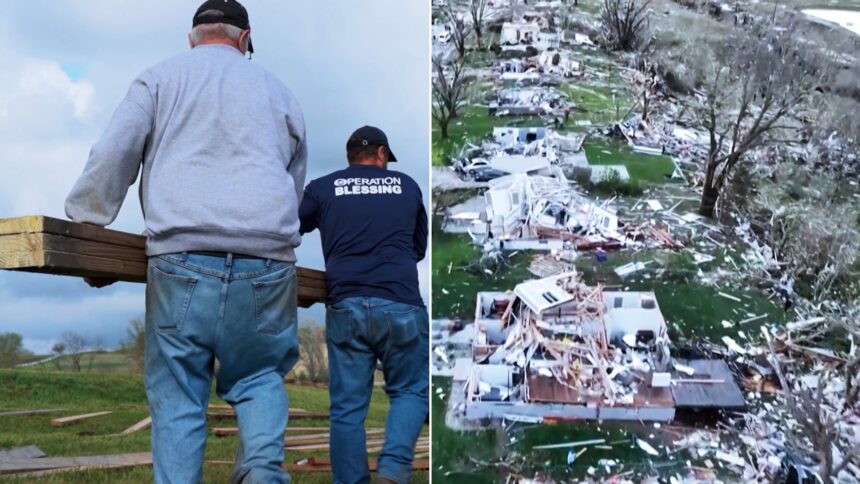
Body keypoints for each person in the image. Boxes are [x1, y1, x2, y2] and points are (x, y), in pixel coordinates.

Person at [64, 1, 306, 482]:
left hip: (182, 262)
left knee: (178, 396)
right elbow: (292, 183)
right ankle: (262, 475)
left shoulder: (159, 79)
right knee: (259, 379)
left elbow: (114, 151)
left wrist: (90, 229)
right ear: (245, 39)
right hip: (268, 264)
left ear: (192, 37)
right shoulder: (280, 93)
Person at [299, 126, 428, 484]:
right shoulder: (407, 186)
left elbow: (292, 223)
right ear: (382, 154)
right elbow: (418, 249)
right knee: (411, 390)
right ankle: (392, 469)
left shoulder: (324, 187)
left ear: (349, 157)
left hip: (346, 304)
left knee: (346, 410)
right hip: (400, 302)